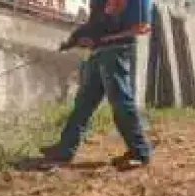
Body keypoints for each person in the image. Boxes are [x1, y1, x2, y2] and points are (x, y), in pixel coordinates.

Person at [41, 0, 154, 171]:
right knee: (83, 103)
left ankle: (140, 153)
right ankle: (64, 150)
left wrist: (101, 39)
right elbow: (95, 22)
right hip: (98, 52)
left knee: (121, 102)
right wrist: (74, 39)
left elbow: (141, 28)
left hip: (115, 51)